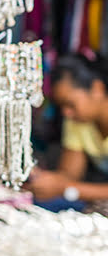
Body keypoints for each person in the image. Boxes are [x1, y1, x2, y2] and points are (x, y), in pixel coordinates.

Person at [27, 53, 108, 204]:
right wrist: (41, 179)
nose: (66, 113)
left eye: (70, 104)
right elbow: (69, 175)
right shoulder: (77, 121)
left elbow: (67, 185)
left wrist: (66, 188)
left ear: (97, 89)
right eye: (62, 106)